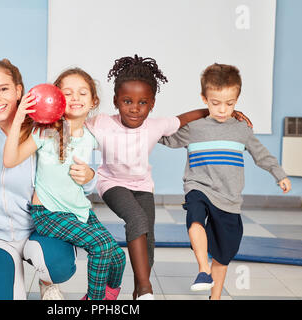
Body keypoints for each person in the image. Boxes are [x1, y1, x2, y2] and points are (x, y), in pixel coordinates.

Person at [84, 54, 251, 300]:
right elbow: (71, 125)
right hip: (112, 184)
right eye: (127, 101)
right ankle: (145, 289)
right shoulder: (101, 123)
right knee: (136, 219)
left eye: (142, 102)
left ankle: (138, 292)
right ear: (116, 101)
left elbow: (185, 118)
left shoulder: (155, 125)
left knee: (148, 244)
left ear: (152, 104)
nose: (134, 108)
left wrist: (220, 110)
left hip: (142, 186)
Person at [159, 63, 292, 300]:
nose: (222, 110)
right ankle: (202, 269)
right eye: (215, 103)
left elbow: (261, 154)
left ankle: (215, 296)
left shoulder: (242, 129)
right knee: (195, 217)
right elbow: (165, 137)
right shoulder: (194, 128)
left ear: (237, 100)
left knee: (224, 251)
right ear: (204, 99)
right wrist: (138, 127)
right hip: (198, 186)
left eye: (229, 104)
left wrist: (279, 174)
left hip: (229, 197)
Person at [0, 59, 97, 300]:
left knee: (58, 266)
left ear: (19, 90)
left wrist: (90, 177)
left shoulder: (45, 127)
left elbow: (77, 167)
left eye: (4, 89)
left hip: (40, 227)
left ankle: (47, 281)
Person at [3, 68, 126, 300]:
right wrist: (18, 119)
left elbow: (95, 179)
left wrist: (90, 175)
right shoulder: (46, 132)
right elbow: (10, 160)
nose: (75, 98)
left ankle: (109, 295)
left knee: (118, 257)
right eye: (67, 93)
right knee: (101, 246)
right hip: (49, 213)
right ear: (57, 99)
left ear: (93, 101)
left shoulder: (91, 138)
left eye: (82, 93)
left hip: (78, 210)